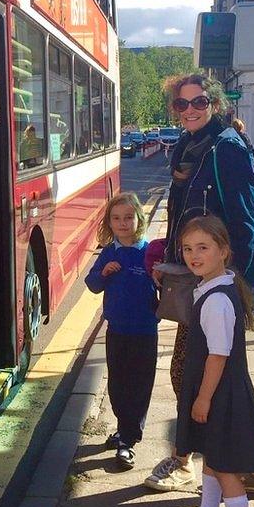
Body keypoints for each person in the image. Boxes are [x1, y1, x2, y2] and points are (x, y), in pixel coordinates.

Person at [146, 73, 254, 496]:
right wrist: (167, 258)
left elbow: (248, 224)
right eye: (181, 105)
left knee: (190, 369)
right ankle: (252, 468)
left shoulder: (226, 149)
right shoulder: (189, 147)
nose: (191, 110)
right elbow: (186, 213)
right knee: (222, 371)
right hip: (198, 277)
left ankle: (185, 459)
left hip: (219, 282)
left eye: (199, 102)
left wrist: (237, 288)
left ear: (214, 103)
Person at [164, 215, 254, 507]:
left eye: (203, 247)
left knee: (227, 473)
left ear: (223, 251)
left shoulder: (218, 300)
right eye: (187, 248)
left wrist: (203, 398)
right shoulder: (216, 286)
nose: (194, 255)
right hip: (222, 392)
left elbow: (218, 355)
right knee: (213, 458)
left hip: (219, 395)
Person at [84, 192, 158, 470]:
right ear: (109, 222)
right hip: (117, 330)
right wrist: (103, 274)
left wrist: (160, 278)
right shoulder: (109, 252)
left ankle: (128, 440)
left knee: (139, 386)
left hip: (144, 331)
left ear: (139, 218)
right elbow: (92, 284)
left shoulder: (148, 252)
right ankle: (123, 428)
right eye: (116, 218)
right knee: (117, 384)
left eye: (128, 217)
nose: (123, 223)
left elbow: (165, 287)